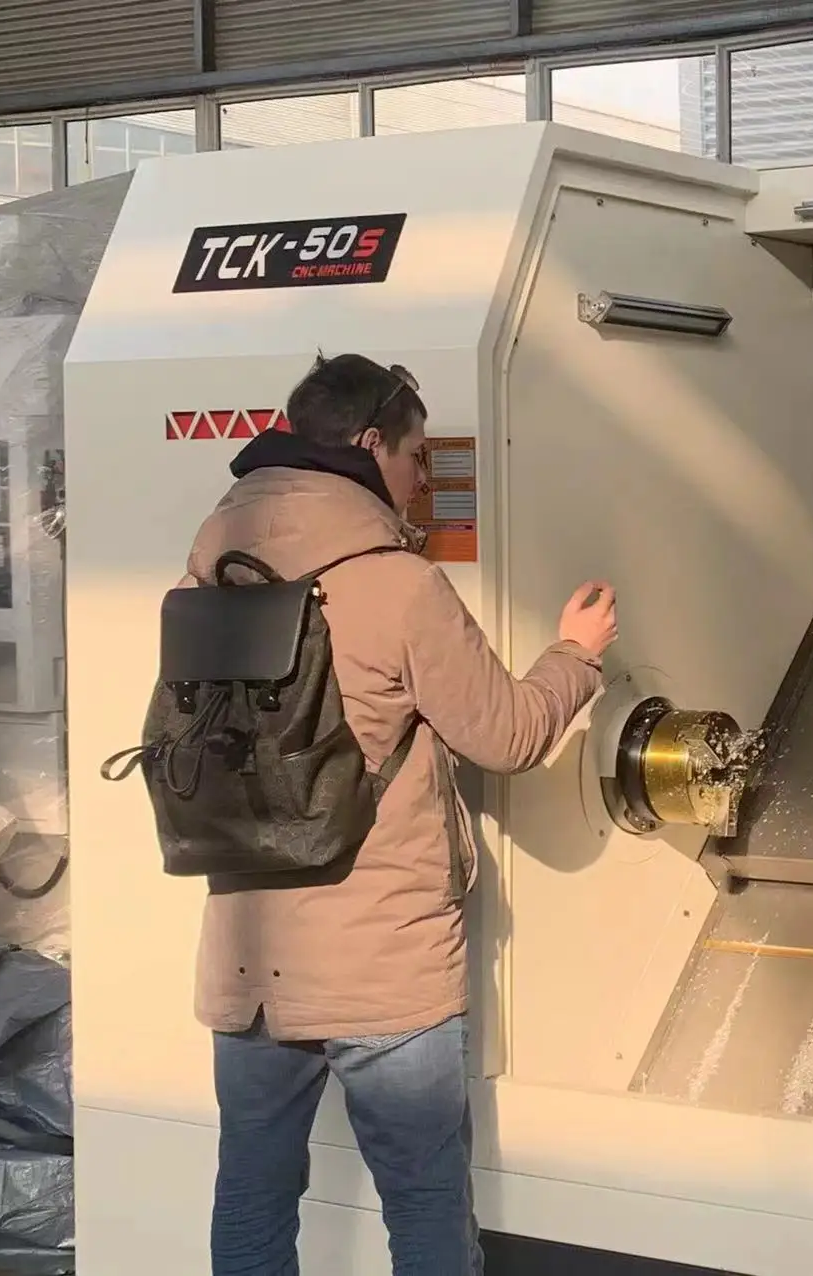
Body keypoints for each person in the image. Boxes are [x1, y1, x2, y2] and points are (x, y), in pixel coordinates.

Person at [184, 353, 616, 1275]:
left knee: (251, 1198)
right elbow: (507, 735)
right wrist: (575, 656)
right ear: (371, 443)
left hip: (248, 968)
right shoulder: (396, 584)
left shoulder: (205, 579)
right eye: (419, 455)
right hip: (386, 967)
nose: (424, 479)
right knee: (424, 1209)